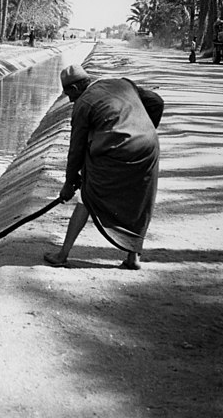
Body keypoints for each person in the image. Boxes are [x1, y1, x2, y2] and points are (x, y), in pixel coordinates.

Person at [44, 64, 163, 270]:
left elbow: (76, 150)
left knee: (86, 197)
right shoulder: (122, 84)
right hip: (149, 146)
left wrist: (69, 184)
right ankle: (133, 257)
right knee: (139, 200)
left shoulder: (83, 103)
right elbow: (155, 101)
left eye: (69, 95)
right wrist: (144, 129)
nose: (71, 100)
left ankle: (62, 254)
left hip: (117, 149)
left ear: (74, 89)